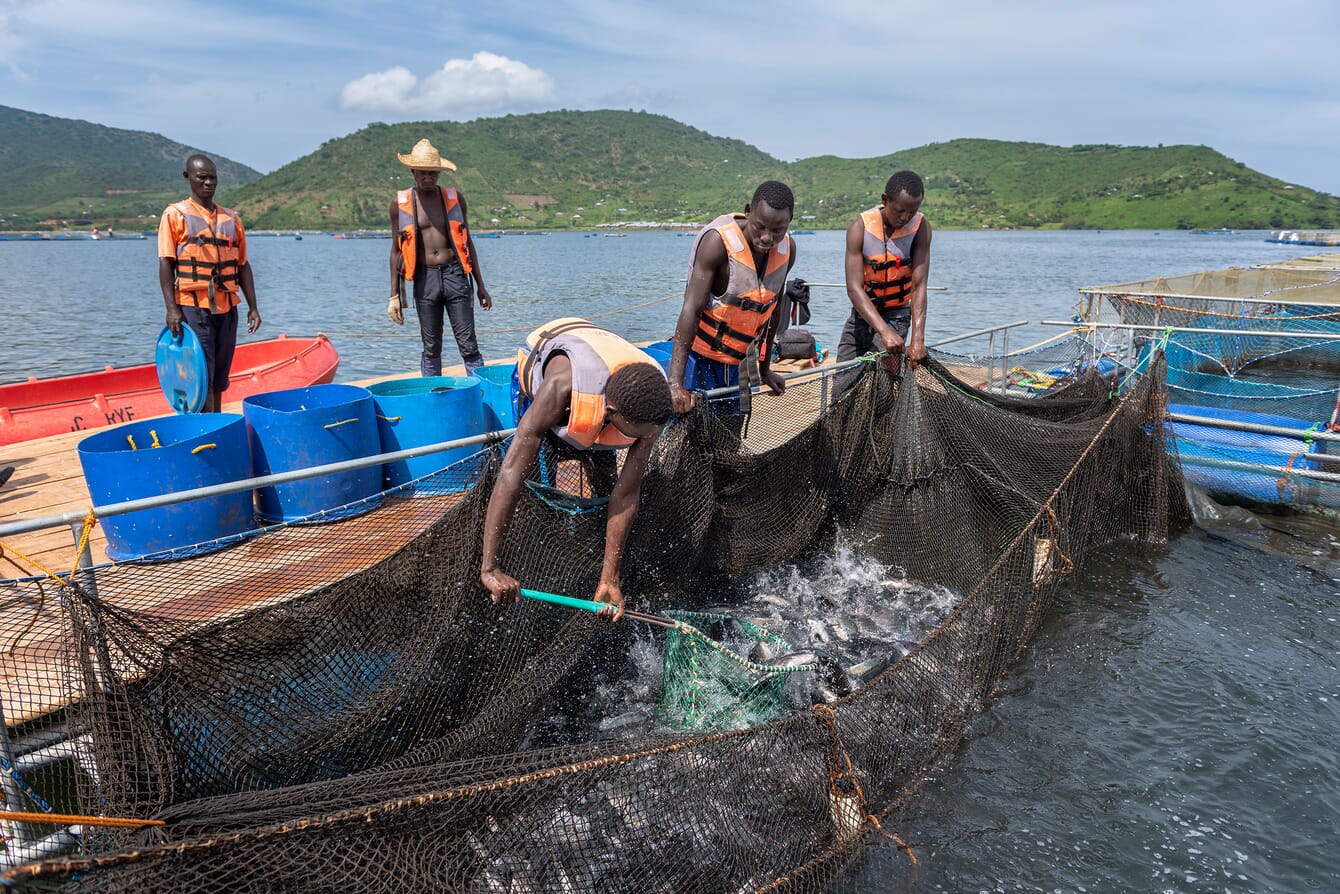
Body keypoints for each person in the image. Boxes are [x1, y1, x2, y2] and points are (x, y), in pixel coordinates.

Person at [480, 318, 673, 619]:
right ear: (610, 413)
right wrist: (489, 567)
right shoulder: (560, 388)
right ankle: (537, 560)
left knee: (606, 485)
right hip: (546, 381)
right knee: (539, 491)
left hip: (607, 389)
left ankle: (599, 571)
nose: (638, 440)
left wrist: (611, 576)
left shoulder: (653, 405)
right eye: (633, 433)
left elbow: (626, 493)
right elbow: (510, 474)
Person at [667, 181, 798, 417]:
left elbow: (773, 311)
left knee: (730, 431)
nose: (767, 238)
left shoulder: (789, 250)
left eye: (778, 230)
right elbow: (691, 308)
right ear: (748, 211)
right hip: (700, 359)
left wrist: (765, 369)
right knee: (692, 427)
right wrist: (675, 384)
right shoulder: (717, 243)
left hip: (739, 361)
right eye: (760, 227)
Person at [157, 154, 262, 413]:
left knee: (220, 375)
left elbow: (243, 265)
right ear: (188, 177)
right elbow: (166, 264)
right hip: (194, 308)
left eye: (212, 177)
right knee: (202, 371)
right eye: (201, 177)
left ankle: (217, 420)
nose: (207, 183)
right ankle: (203, 424)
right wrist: (172, 309)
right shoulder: (175, 214)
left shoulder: (231, 219)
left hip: (227, 307)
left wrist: (253, 307)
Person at [388, 138, 493, 376]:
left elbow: (468, 242)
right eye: (423, 173)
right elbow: (396, 251)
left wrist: (481, 286)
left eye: (433, 173)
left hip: (455, 275)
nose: (428, 178)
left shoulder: (455, 199)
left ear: (439, 173)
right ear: (413, 172)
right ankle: (433, 394)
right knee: (431, 347)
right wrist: (394, 296)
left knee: (468, 344)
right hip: (425, 280)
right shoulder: (400, 204)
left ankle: (481, 392)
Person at [837, 170, 932, 384]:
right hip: (862, 315)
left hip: (897, 316)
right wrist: (883, 331)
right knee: (843, 380)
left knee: (884, 385)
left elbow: (919, 286)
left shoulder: (921, 228)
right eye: (899, 211)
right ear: (884, 200)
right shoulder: (859, 228)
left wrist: (918, 339)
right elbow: (854, 288)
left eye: (912, 212)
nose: (905, 217)